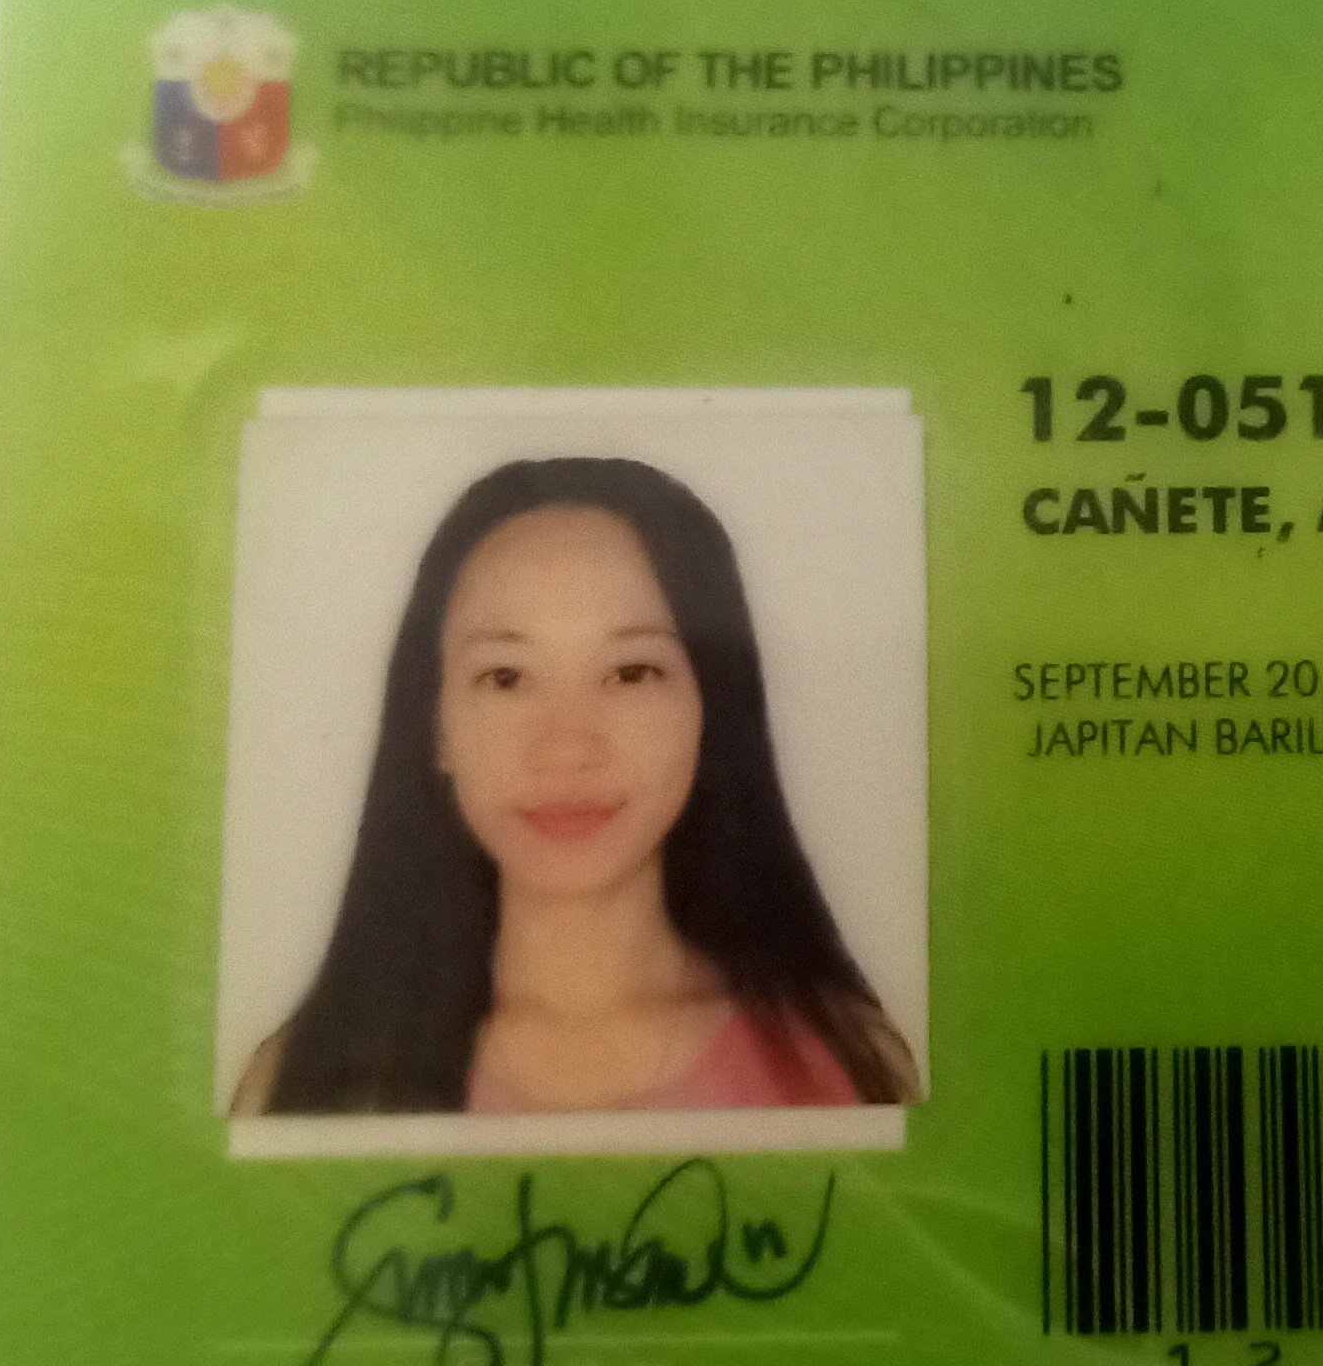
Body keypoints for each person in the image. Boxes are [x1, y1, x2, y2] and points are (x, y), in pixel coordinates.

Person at [237, 455, 917, 1115]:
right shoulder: (300, 1087)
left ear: (711, 708)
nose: (566, 748)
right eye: (506, 678)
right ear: (435, 725)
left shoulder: (847, 1066)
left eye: (631, 673)